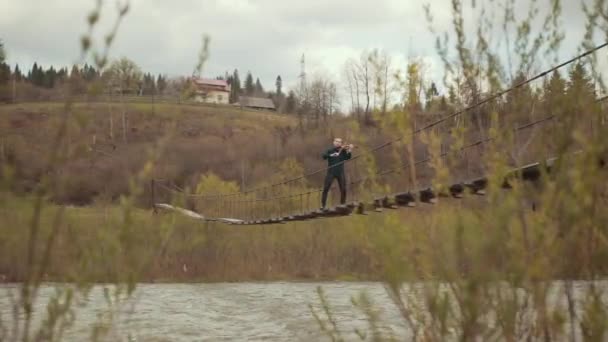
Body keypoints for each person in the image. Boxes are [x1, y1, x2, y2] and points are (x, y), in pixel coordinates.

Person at [320, 138, 353, 209]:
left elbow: (348, 158)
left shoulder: (343, 150)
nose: (338, 143)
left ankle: (343, 204)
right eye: (336, 141)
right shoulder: (329, 150)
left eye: (340, 142)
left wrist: (350, 150)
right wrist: (331, 155)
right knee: (326, 188)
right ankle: (323, 206)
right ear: (333, 142)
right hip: (331, 172)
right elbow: (323, 156)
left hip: (340, 172)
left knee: (343, 189)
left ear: (341, 144)